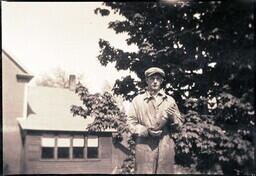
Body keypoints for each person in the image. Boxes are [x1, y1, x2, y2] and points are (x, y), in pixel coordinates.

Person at [127, 67, 183, 174]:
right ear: (147, 80)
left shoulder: (170, 101)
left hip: (165, 149)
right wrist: (146, 131)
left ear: (162, 81)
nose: (155, 81)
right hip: (144, 148)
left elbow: (179, 127)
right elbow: (130, 124)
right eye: (152, 78)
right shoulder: (138, 100)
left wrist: (173, 118)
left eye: (158, 78)